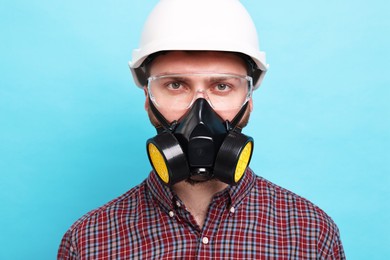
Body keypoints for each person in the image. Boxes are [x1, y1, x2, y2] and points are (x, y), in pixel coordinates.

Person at [58, 0, 345, 259]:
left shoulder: (311, 235)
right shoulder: (88, 242)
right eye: (175, 84)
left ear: (249, 100)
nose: (200, 110)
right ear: (148, 99)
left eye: (222, 86)